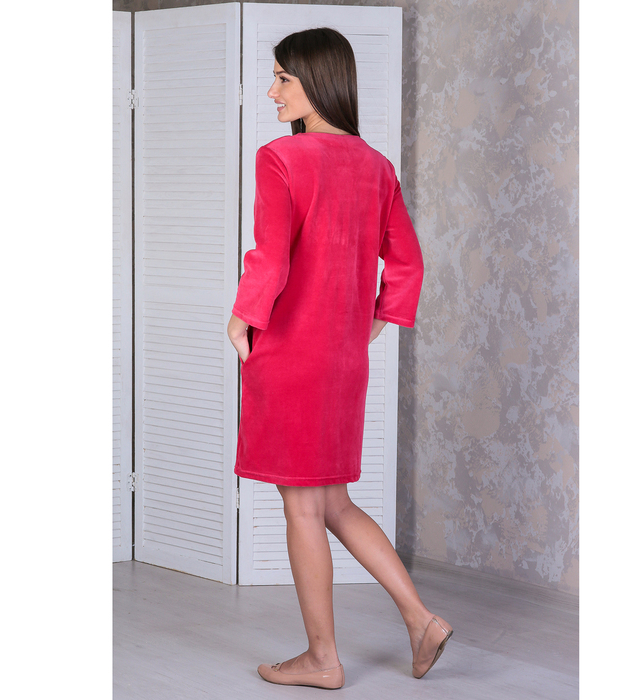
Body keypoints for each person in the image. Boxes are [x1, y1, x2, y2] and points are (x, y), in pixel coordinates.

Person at [226, 27, 453, 690]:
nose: (272, 91)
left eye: (283, 78)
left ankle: (322, 658)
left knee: (302, 506)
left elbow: (270, 257)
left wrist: (243, 316)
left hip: (291, 356)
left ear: (317, 82)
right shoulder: (376, 166)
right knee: (332, 502)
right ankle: (421, 620)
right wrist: (374, 322)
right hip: (343, 362)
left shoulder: (281, 159)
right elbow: (407, 263)